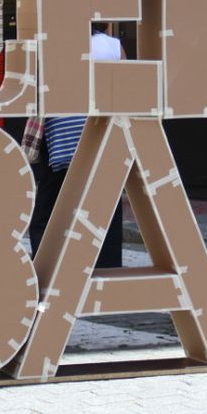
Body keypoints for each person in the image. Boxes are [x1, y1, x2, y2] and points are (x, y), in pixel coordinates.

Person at [29, 25, 128, 267]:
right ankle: (106, 273)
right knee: (106, 211)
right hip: (102, 137)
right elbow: (127, 90)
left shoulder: (53, 43)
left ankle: (47, 271)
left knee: (48, 213)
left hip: (61, 141)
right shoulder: (113, 46)